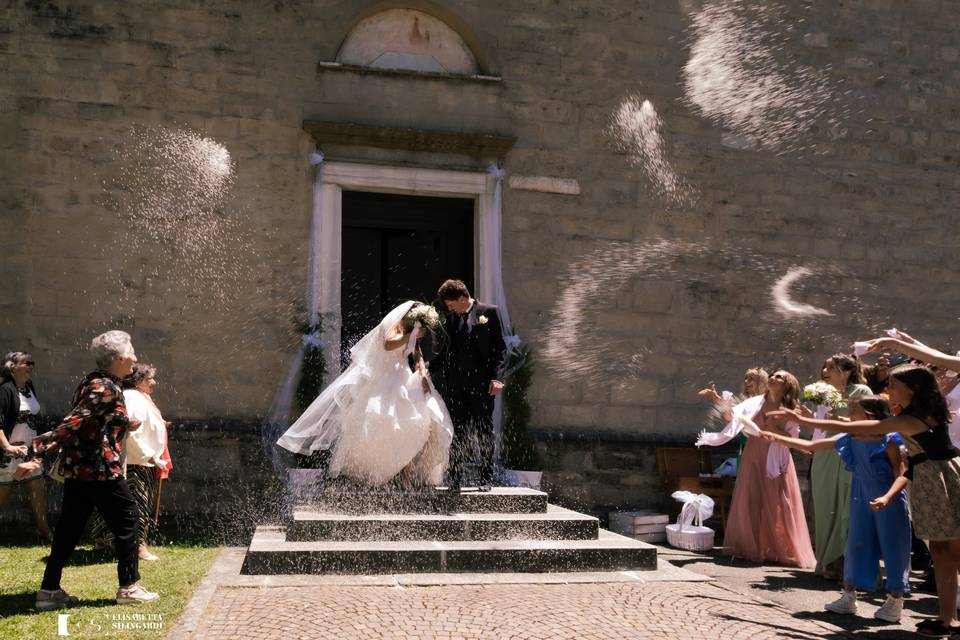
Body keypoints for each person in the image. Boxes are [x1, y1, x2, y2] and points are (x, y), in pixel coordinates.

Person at [768, 364, 960, 637]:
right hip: (930, 482)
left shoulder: (912, 421)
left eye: (893, 385)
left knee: (949, 552)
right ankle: (947, 619)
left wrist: (804, 421)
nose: (888, 390)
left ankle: (941, 616)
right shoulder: (911, 414)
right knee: (941, 552)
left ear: (912, 389)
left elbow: (861, 425)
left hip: (939, 482)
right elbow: (850, 425)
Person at [15, 330, 159, 609]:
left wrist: (122, 422)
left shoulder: (96, 381)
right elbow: (73, 423)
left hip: (81, 469)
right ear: (118, 357)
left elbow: (93, 420)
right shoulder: (103, 388)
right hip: (100, 470)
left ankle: (49, 591)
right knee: (129, 521)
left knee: (69, 529)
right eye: (131, 351)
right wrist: (35, 452)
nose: (135, 357)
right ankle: (129, 588)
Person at [762, 396, 911, 622]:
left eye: (854, 410)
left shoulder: (890, 440)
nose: (849, 414)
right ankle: (849, 597)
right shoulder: (850, 438)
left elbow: (902, 475)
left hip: (889, 500)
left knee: (893, 548)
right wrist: (778, 438)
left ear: (869, 415)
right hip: (860, 498)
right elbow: (812, 446)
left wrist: (887, 497)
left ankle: (895, 601)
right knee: (856, 544)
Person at [277, 301, 453, 487]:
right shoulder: (396, 327)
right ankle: (387, 475)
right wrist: (412, 334)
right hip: (387, 381)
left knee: (413, 424)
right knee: (389, 425)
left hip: (405, 379)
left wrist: (423, 373)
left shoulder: (412, 332)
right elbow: (387, 344)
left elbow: (417, 354)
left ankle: (405, 474)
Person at [720, 370, 816, 567]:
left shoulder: (791, 409)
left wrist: (775, 430)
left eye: (779, 377)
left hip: (777, 457)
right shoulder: (754, 403)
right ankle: (755, 548)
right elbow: (732, 421)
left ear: (788, 384)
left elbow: (793, 441)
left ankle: (785, 548)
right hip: (753, 454)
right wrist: (722, 403)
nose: (773, 377)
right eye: (772, 375)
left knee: (781, 503)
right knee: (753, 500)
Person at [429, 279, 507, 492]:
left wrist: (497, 378)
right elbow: (446, 352)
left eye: (451, 304)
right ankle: (455, 479)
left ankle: (486, 478)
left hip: (483, 385)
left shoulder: (489, 312)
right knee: (457, 431)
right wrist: (427, 368)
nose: (448, 308)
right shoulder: (452, 319)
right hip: (456, 385)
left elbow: (500, 349)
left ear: (462, 298)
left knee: (484, 430)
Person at [90, 363, 171, 561]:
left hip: (137, 459)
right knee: (137, 503)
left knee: (122, 503)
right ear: (138, 381)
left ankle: (105, 542)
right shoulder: (133, 397)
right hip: (136, 461)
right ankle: (136, 546)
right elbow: (129, 431)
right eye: (149, 378)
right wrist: (149, 455)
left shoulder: (138, 396)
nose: (154, 382)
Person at [809, 353, 873, 579]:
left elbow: (868, 424)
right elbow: (820, 424)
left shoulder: (862, 393)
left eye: (830, 367)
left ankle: (847, 564)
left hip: (849, 454)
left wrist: (841, 420)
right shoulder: (824, 393)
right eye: (824, 367)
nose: (824, 371)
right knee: (826, 506)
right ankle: (827, 559)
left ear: (845, 371)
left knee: (847, 508)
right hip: (825, 454)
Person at [0, 351, 52, 540]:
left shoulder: (28, 387)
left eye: (32, 363)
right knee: (2, 492)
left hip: (30, 451)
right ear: (12, 367)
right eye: (26, 363)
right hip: (10, 453)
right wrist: (7, 448)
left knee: (37, 489)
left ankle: (44, 530)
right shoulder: (5, 390)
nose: (30, 366)